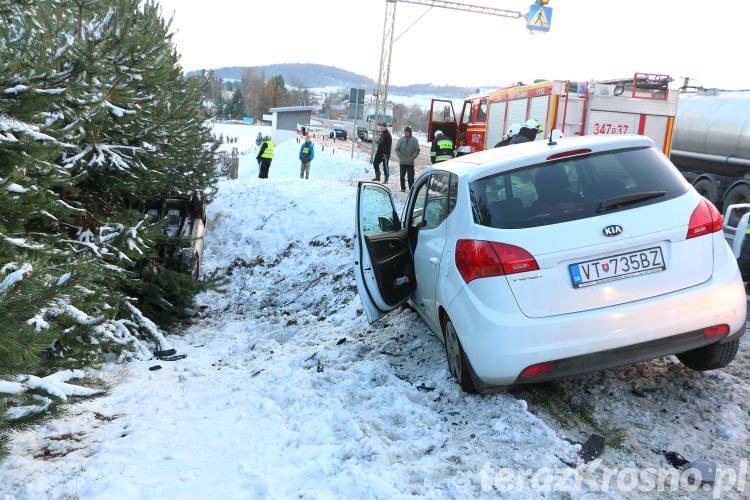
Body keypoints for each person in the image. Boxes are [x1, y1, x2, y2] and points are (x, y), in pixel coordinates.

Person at [394, 126, 420, 192]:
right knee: (402, 176)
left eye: (407, 132)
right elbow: (397, 149)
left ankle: (411, 188)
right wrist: (400, 156)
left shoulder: (414, 140)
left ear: (410, 132)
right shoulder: (401, 140)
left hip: (410, 162)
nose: (406, 133)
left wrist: (413, 157)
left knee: (410, 177)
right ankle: (403, 188)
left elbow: (417, 150)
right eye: (405, 132)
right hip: (402, 161)